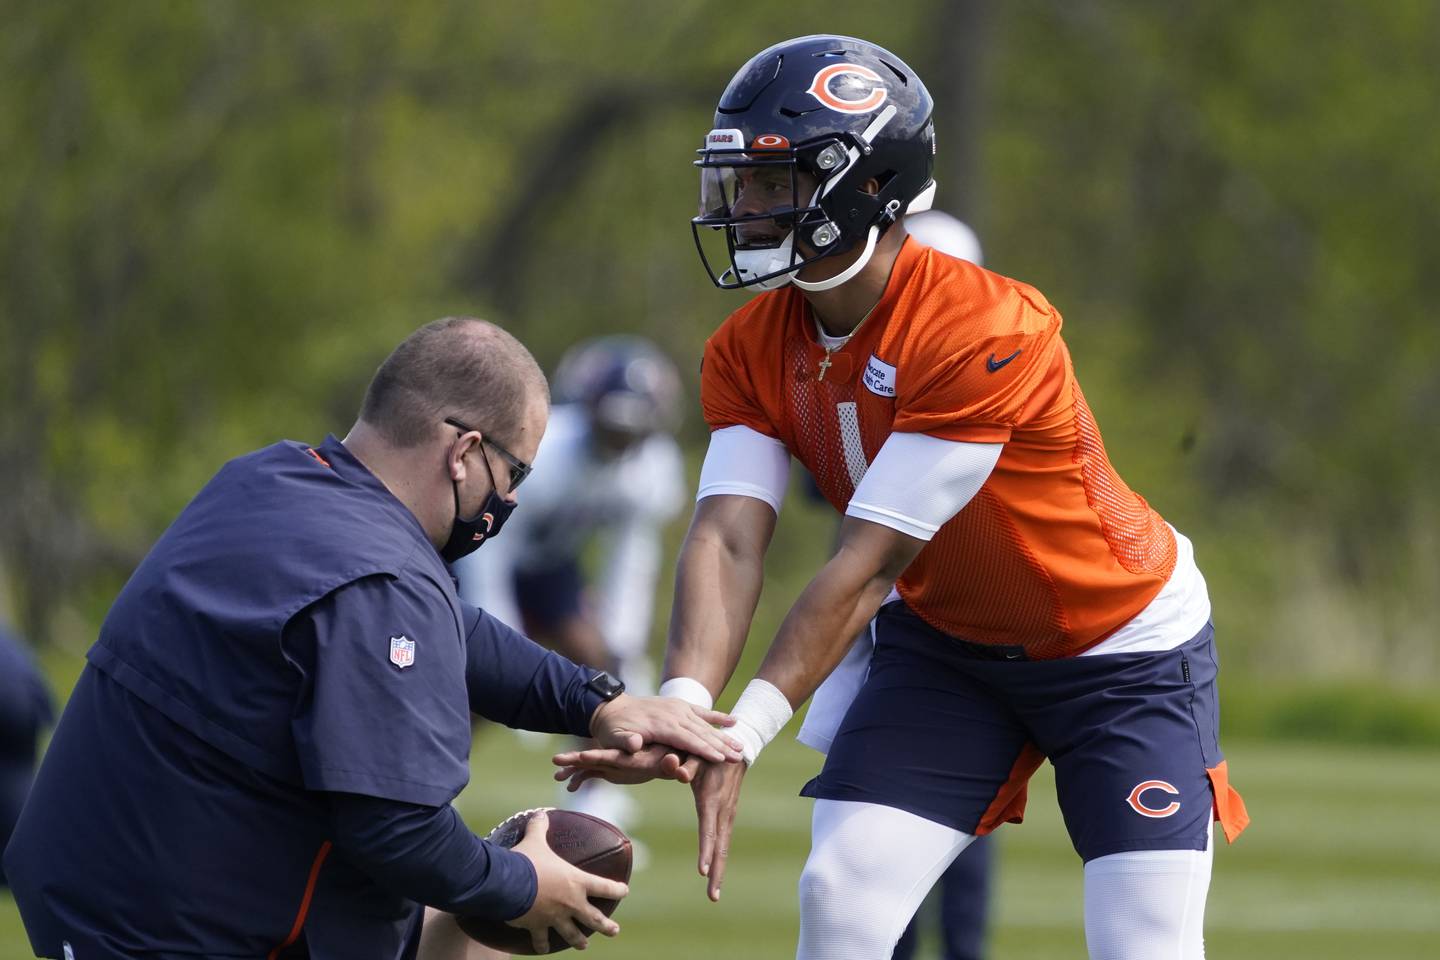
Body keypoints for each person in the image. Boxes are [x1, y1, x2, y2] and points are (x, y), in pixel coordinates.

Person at [554, 35, 1250, 960]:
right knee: (840, 893)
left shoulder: (983, 324)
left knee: (1144, 943)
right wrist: (685, 705)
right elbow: (727, 538)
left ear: (866, 184)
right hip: (954, 648)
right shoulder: (750, 345)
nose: (747, 208)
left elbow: (871, 561)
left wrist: (743, 732)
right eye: (743, 183)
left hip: (1115, 645)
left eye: (776, 182)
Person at [2, 317, 742, 960]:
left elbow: (455, 630)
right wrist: (524, 883)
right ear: (464, 453)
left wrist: (599, 702)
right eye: (512, 470)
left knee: (460, 920)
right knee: (480, 910)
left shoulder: (270, 479)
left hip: (97, 885)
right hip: (172, 926)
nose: (511, 498)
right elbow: (396, 832)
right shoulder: (382, 575)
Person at [455, 335, 686, 832]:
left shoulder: (652, 469)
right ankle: (430, 783)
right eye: (613, 424)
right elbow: (493, 548)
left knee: (602, 676)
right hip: (478, 549)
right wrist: (503, 641)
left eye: (633, 428)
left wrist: (623, 643)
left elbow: (630, 561)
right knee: (467, 691)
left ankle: (594, 808)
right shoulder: (549, 451)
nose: (620, 438)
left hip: (550, 568)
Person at [0, 619, 52, 889]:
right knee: (19, 787)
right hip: (27, 710)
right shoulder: (9, 638)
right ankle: (21, 867)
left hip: (10, 713)